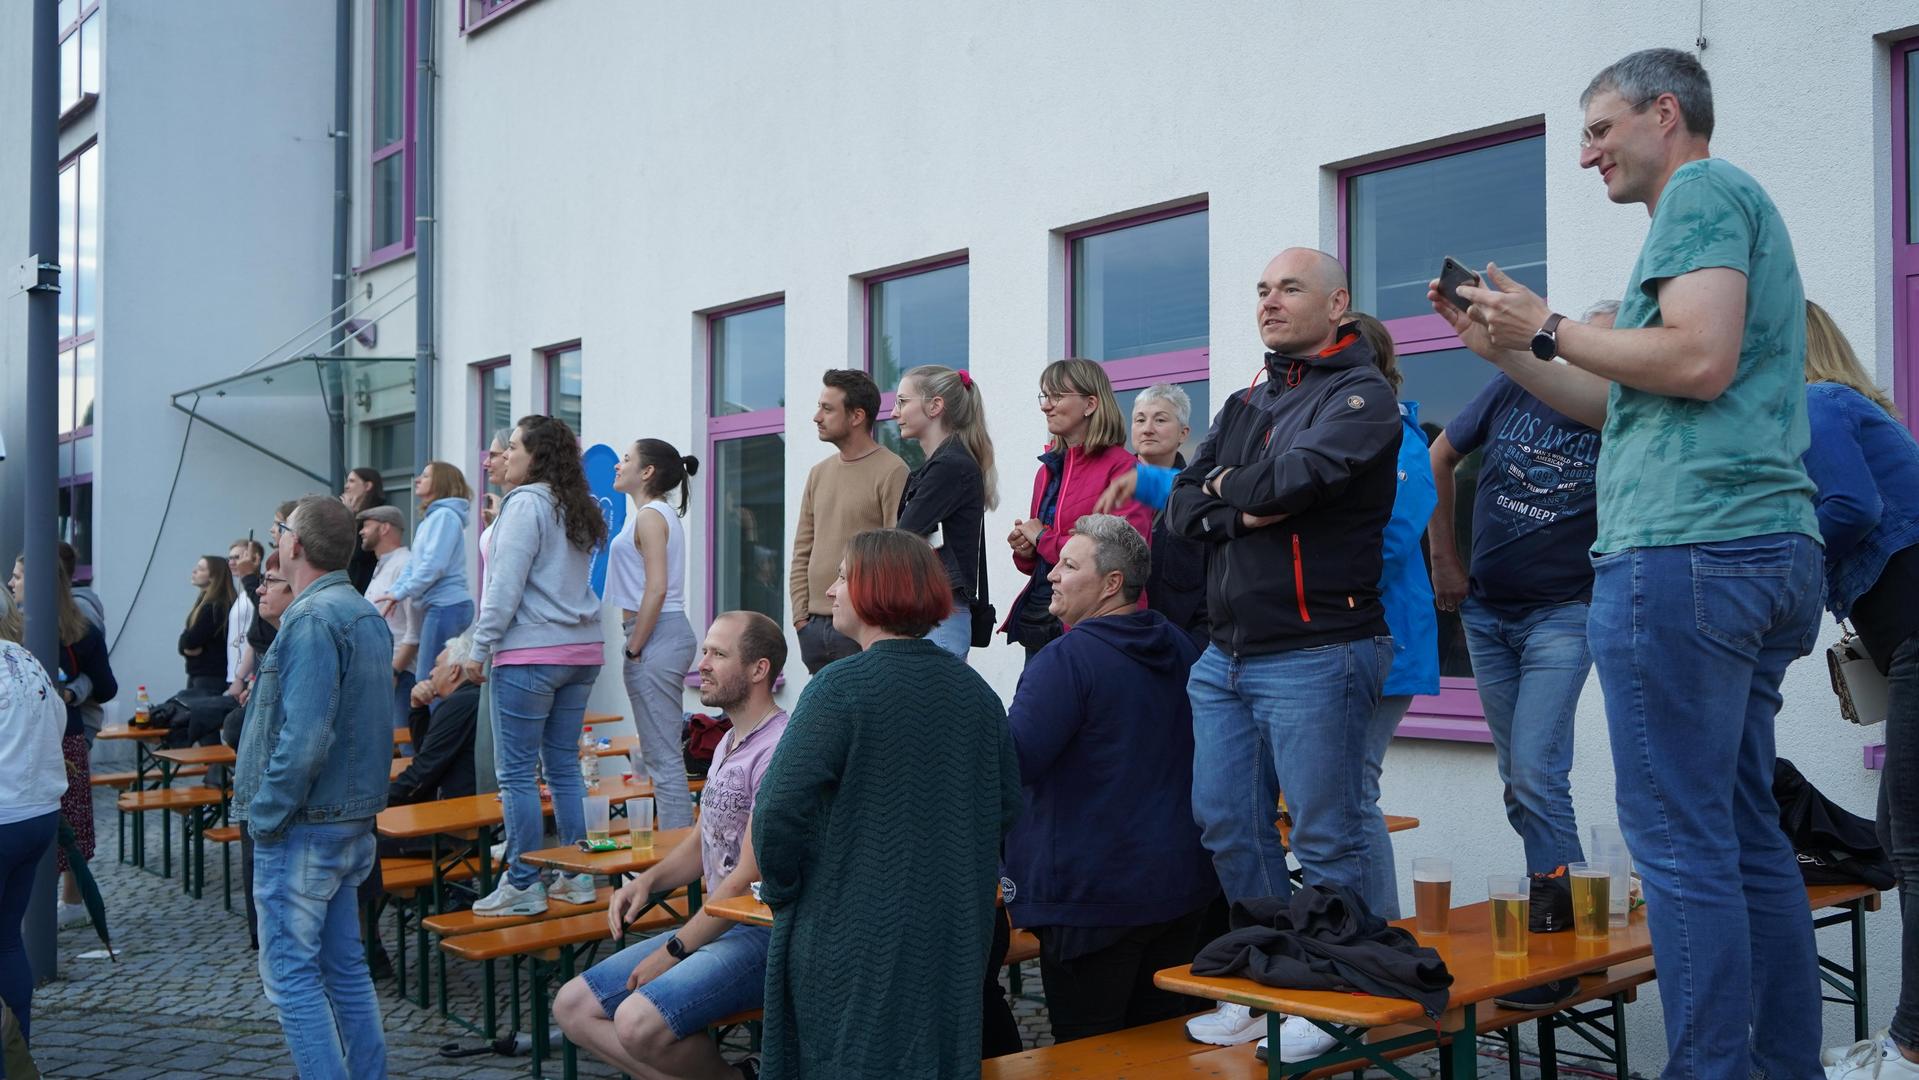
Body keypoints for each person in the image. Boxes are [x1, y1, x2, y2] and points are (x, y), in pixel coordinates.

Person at [1433, 48, 1824, 1076]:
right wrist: (1513, 353)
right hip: (1752, 550)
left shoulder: (1697, 189)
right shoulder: (1712, 212)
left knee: (1679, 843)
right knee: (1741, 835)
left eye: (1599, 129)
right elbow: (1622, 402)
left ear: (1665, 111)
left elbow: (1693, 360)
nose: (1584, 155)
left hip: (1685, 554)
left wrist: (1550, 324)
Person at [1165, 247, 1401, 1056]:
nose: (1268, 301)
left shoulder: (1365, 397)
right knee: (1229, 824)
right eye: (1260, 288)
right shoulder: (1242, 400)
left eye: (1288, 288)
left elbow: (1286, 484)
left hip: (1317, 648)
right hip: (1223, 657)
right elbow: (1181, 512)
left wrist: (1233, 488)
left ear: (1336, 303)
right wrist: (1239, 494)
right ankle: (1272, 977)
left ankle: (1344, 995)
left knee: (1328, 836)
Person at [753, 530, 1022, 1079]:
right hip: (951, 936)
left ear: (877, 590)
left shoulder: (840, 688)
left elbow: (778, 807)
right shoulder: (976, 694)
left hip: (850, 936)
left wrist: (784, 890)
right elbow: (1006, 808)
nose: (830, 591)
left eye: (844, 576)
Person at [1427, 303, 1611, 930]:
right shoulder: (1516, 385)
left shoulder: (1627, 412)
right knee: (1520, 781)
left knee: (1535, 771)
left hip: (1564, 614)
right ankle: (1580, 908)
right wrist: (1444, 557)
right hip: (1485, 613)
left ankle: (1562, 923)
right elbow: (1438, 457)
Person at [1002, 515, 1214, 1042]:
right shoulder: (1184, 648)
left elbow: (1010, 767)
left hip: (1090, 902)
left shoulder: (1066, 660)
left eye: (1070, 565)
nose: (1051, 573)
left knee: (1087, 1052)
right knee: (1163, 1052)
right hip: (1181, 892)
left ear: (1111, 584)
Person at [554, 611, 790, 1080]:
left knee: (638, 1023)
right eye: (704, 650)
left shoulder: (779, 748)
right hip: (720, 927)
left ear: (759, 670)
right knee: (573, 1007)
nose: (702, 663)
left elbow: (748, 873)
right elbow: (705, 836)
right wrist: (647, 882)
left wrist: (674, 950)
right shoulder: (728, 741)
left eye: (718, 654)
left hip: (761, 935)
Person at [1792, 302, 1919, 1079]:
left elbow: (1847, 508)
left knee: (1911, 844)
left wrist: (1780, 575)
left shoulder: (1814, 404)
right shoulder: (1852, 408)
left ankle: (1908, 1048)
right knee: (1897, 835)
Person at [232, 495, 393, 1078]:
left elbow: (303, 740)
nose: (277, 539)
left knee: (291, 981)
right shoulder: (361, 612)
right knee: (345, 970)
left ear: (294, 545)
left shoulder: (311, 618)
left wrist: (266, 818)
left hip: (307, 825)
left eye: (281, 532)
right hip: (347, 823)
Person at [465, 415, 609, 917]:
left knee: (518, 776)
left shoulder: (524, 504)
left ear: (536, 456)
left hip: (530, 654)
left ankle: (524, 882)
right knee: (564, 768)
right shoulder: (576, 504)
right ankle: (576, 876)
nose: (507, 457)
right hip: (580, 651)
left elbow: (503, 588)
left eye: (516, 448)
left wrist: (477, 650)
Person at [1342, 313, 1438, 927]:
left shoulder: (1402, 440)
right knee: (1336, 794)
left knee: (1353, 790)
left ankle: (1380, 934)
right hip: (1337, 635)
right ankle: (1356, 929)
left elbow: (1390, 540)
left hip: (1383, 636)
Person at [1003, 358, 1153, 661]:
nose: (1046, 406)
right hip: (1043, 620)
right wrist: (1025, 550)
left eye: (1057, 396)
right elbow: (1039, 563)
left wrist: (1042, 539)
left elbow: (1127, 555)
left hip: (1098, 627)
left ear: (1090, 404)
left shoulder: (1129, 469)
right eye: (1045, 396)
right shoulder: (1046, 471)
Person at [9, 553, 113, 930]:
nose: (11, 583)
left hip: (60, 738)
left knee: (67, 820)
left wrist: (70, 693)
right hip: (39, 737)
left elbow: (106, 685)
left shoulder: (80, 630)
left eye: (18, 576)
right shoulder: (15, 629)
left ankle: (67, 903)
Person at [609, 438, 702, 832]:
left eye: (626, 459)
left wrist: (633, 647)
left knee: (664, 761)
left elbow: (657, 587)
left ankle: (678, 868)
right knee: (659, 758)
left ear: (646, 472)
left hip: (655, 635)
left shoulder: (650, 516)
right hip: (661, 633)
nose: (618, 464)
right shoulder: (654, 514)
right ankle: (677, 860)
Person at [788, 369, 909, 673]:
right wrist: (800, 617)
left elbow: (897, 554)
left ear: (857, 416)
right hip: (814, 626)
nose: (817, 416)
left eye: (827, 409)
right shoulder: (818, 472)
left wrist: (874, 620)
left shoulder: (892, 471)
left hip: (862, 625)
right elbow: (802, 547)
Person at [894, 364, 999, 659]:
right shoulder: (944, 465)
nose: (894, 413)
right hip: (935, 614)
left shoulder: (950, 467)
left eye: (903, 402)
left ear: (935, 406)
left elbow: (900, 540)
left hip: (939, 617)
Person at [0, 587, 66, 1054]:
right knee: (6, 942)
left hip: (5, 814)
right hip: (37, 813)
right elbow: (57, 722)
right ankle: (16, 1047)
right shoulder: (26, 659)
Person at [230, 554, 294, 952]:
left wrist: (269, 801)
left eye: (270, 582)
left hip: (276, 797)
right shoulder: (277, 645)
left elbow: (299, 739)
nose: (259, 589)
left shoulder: (298, 645)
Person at [374, 460, 472, 682]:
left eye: (426, 476)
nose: (418, 479)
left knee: (430, 680)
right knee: (430, 678)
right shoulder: (432, 519)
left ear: (441, 482)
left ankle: (436, 717)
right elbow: (415, 565)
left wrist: (400, 592)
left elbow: (434, 566)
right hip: (440, 607)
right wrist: (395, 592)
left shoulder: (445, 517)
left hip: (446, 606)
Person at [389, 635, 482, 808]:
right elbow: (426, 752)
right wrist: (418, 709)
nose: (431, 672)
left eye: (437, 665)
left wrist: (378, 803)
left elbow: (424, 770)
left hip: (458, 810)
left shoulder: (459, 704)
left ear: (454, 671)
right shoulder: (474, 696)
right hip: (471, 801)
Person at [356, 504, 419, 734]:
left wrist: (394, 671)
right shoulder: (384, 565)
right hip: (384, 673)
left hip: (399, 677)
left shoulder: (404, 564)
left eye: (366, 525)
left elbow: (415, 629)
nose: (361, 531)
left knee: (403, 746)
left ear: (384, 528)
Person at [179, 553, 237, 693]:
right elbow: (186, 643)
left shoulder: (216, 607)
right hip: (201, 674)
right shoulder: (205, 602)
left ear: (213, 576)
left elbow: (189, 641)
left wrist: (185, 645)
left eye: (200, 569)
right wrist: (184, 647)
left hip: (210, 677)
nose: (194, 571)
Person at [224, 539, 264, 694]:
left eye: (237, 557)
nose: (232, 562)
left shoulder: (259, 592)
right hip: (236, 675)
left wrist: (240, 677)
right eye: (230, 558)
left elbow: (256, 636)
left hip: (248, 676)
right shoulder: (241, 595)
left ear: (254, 559)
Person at [342, 467, 389, 595]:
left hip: (365, 587)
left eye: (352, 481)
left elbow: (357, 552)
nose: (346, 486)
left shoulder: (378, 515)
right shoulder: (355, 514)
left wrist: (349, 517)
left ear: (368, 485)